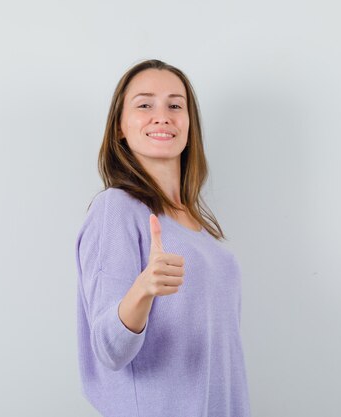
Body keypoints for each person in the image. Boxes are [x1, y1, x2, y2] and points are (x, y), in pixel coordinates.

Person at [74, 59, 251, 417]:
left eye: (175, 105)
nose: (162, 115)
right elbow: (109, 349)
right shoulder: (118, 208)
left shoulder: (199, 226)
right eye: (144, 104)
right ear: (120, 127)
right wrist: (142, 288)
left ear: (189, 124)